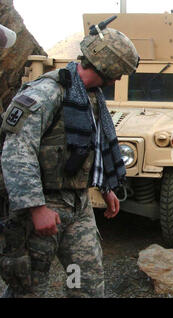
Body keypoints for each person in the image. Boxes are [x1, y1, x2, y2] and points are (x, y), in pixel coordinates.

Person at [0, 22, 139, 298]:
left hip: (78, 206)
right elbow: (17, 150)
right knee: (27, 285)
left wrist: (106, 186)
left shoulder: (91, 97)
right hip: (41, 207)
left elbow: (90, 145)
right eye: (119, 71)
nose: (119, 79)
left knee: (85, 281)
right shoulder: (46, 93)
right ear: (107, 65)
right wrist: (36, 207)